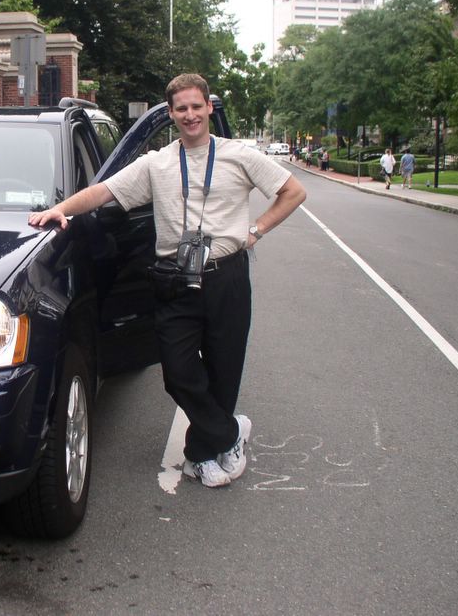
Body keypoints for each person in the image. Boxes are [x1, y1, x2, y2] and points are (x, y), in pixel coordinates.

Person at [28, 73, 306, 488]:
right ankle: (230, 432)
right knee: (178, 373)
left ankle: (202, 454)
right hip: (175, 280)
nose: (190, 115)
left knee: (224, 369)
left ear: (208, 107)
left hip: (226, 276)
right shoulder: (156, 163)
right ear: (172, 114)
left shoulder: (239, 156)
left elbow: (293, 191)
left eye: (196, 106)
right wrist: (62, 209)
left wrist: (256, 230)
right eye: (181, 109)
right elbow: (104, 191)